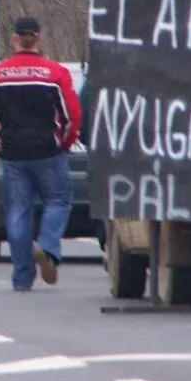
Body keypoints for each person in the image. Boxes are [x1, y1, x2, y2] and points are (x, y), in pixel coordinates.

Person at [0, 17, 81, 291]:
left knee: (18, 213)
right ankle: (47, 245)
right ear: (38, 39)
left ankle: (23, 277)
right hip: (48, 151)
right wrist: (64, 142)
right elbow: (72, 115)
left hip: (12, 154)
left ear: (14, 40)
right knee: (58, 200)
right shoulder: (55, 74)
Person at [77, 62, 107, 253]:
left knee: (104, 198)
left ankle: (108, 243)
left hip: (101, 153)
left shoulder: (95, 79)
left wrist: (89, 142)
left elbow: (82, 116)